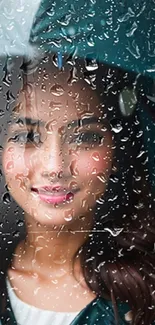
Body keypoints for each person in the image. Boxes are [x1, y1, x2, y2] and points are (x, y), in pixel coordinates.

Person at [0, 1, 155, 325]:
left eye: (84, 137)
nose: (55, 165)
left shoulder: (144, 295)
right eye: (28, 137)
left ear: (118, 150)